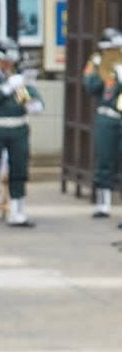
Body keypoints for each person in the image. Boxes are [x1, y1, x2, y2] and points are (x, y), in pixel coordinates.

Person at [0, 37, 43, 228]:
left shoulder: (19, 78)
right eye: (5, 61)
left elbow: (34, 99)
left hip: (18, 128)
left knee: (19, 169)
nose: (8, 65)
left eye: (11, 61)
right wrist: (5, 89)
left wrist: (34, 104)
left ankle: (17, 211)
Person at [84, 28, 122, 218]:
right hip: (107, 116)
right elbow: (90, 86)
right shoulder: (96, 61)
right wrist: (104, 73)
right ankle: (103, 203)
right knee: (104, 159)